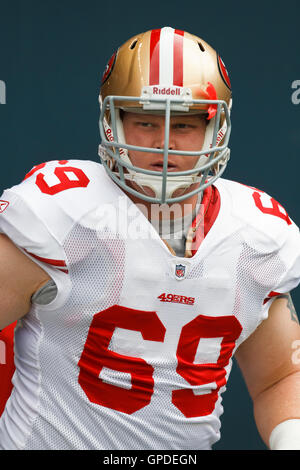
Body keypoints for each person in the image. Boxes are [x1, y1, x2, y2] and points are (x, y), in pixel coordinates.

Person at [0, 26, 299, 451]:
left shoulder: (257, 237)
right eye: (145, 121)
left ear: (216, 128)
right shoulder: (64, 215)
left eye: (184, 124)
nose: (165, 143)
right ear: (112, 121)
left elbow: (279, 375)